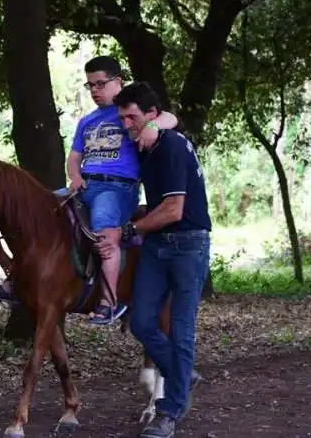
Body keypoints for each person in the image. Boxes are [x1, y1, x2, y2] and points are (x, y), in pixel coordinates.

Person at [0, 56, 177, 326]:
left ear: (117, 81)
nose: (95, 90)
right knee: (38, 215)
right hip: (84, 184)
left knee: (103, 230)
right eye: (90, 86)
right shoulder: (87, 121)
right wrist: (74, 176)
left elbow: (169, 117)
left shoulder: (130, 112)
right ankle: (17, 281)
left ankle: (108, 301)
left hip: (117, 187)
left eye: (100, 84)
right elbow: (74, 157)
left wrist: (152, 127)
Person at [100, 81, 211, 438]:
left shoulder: (172, 146)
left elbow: (174, 209)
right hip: (157, 245)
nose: (126, 124)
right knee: (142, 322)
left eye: (132, 117)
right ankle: (183, 376)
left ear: (150, 115)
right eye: (123, 118)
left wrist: (130, 231)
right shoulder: (147, 144)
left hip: (187, 245)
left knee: (180, 332)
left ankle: (169, 411)